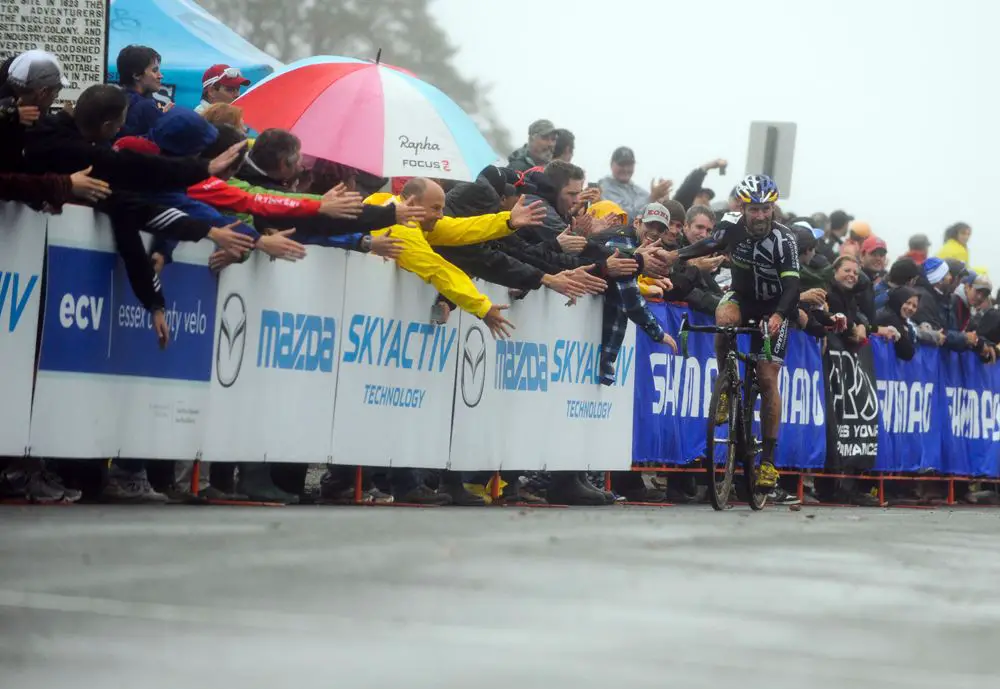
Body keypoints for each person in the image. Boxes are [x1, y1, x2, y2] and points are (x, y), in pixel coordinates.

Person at [673, 174, 799, 491]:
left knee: (768, 378)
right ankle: (726, 385)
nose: (759, 216)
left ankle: (768, 461)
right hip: (743, 298)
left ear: (773, 208)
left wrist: (780, 315)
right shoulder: (731, 225)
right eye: (753, 209)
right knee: (722, 316)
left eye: (764, 209)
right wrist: (677, 255)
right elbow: (710, 243)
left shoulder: (785, 240)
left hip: (774, 304)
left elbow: (793, 286)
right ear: (743, 207)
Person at [0, 50, 68, 172]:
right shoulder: (11, 120)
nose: (54, 98)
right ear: (43, 93)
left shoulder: (16, 112)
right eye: (56, 93)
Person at [598, 146, 672, 220]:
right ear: (611, 164)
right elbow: (623, 218)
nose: (626, 169)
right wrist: (652, 198)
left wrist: (663, 203)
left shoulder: (640, 191)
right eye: (621, 164)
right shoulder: (603, 188)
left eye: (629, 165)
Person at [116, 44, 168, 138]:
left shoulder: (116, 98)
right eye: (154, 70)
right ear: (136, 75)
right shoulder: (146, 106)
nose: (160, 76)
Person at [877, 287, 920, 361]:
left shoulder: (901, 321)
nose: (910, 308)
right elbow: (907, 353)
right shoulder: (889, 317)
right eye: (907, 303)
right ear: (898, 300)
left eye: (914, 306)